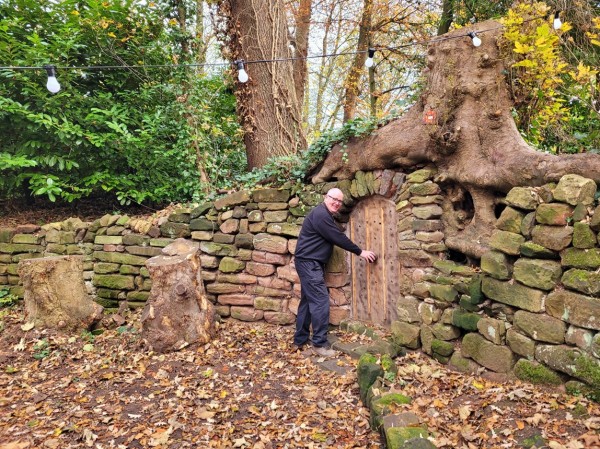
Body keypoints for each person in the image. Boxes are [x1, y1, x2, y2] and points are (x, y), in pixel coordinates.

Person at [293, 188, 377, 357]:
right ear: (326, 197)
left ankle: (300, 340)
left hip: (307, 262)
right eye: (334, 199)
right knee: (320, 301)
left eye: (339, 201)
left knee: (308, 301)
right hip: (309, 263)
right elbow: (337, 237)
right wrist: (361, 252)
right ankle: (319, 344)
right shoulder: (321, 215)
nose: (337, 203)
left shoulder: (323, 214)